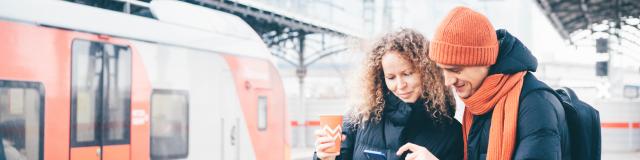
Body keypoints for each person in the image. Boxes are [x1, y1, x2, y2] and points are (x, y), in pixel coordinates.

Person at [426, 6, 570, 160]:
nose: (448, 81)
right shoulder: (481, 103)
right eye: (443, 70)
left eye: (455, 69)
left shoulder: (536, 105)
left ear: (483, 61)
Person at [313, 29, 463, 160]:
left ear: (427, 72)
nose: (400, 85)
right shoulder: (359, 119)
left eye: (407, 74)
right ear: (380, 78)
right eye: (391, 77)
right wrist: (325, 158)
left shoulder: (452, 133)